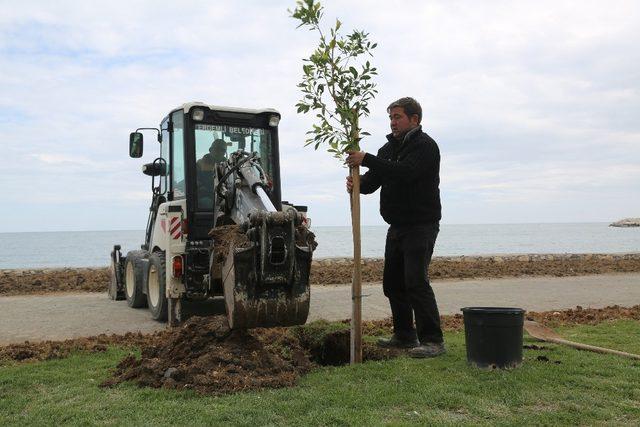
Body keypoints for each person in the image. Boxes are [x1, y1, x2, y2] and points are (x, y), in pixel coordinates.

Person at [345, 97, 444, 358]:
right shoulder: (387, 150)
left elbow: (405, 172)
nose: (393, 122)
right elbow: (374, 181)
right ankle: (404, 335)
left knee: (416, 281)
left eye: (398, 117)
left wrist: (367, 159)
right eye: (391, 117)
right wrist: (358, 183)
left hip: (421, 225)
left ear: (415, 119)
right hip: (397, 226)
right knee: (392, 283)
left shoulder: (426, 146)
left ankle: (433, 340)